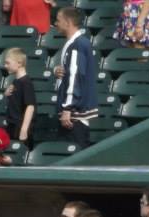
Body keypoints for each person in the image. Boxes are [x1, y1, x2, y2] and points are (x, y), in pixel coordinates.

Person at [54, 7, 99, 150]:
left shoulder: (77, 45)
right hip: (75, 113)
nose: (55, 23)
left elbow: (75, 77)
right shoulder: (77, 43)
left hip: (74, 115)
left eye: (58, 20)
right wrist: (57, 70)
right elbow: (70, 72)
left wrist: (68, 108)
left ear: (68, 22)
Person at [3, 48, 37, 150]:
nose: (5, 66)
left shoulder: (26, 83)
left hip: (20, 127)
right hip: (12, 125)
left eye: (8, 63)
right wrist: (6, 93)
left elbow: (30, 106)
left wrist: (24, 129)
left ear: (19, 63)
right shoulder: (16, 81)